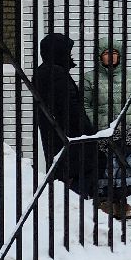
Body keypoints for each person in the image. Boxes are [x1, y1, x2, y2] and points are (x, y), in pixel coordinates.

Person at [34, 33, 103, 209]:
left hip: (56, 136)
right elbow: (70, 109)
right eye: (68, 50)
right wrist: (90, 133)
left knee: (67, 177)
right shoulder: (56, 74)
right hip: (71, 138)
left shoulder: (44, 72)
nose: (70, 55)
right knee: (82, 174)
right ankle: (75, 213)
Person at [82, 37, 131, 218]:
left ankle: (121, 201)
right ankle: (105, 201)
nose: (111, 58)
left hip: (128, 129)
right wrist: (94, 122)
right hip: (103, 130)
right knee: (106, 165)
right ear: (100, 57)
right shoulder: (90, 78)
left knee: (126, 164)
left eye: (114, 54)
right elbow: (84, 104)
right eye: (106, 54)